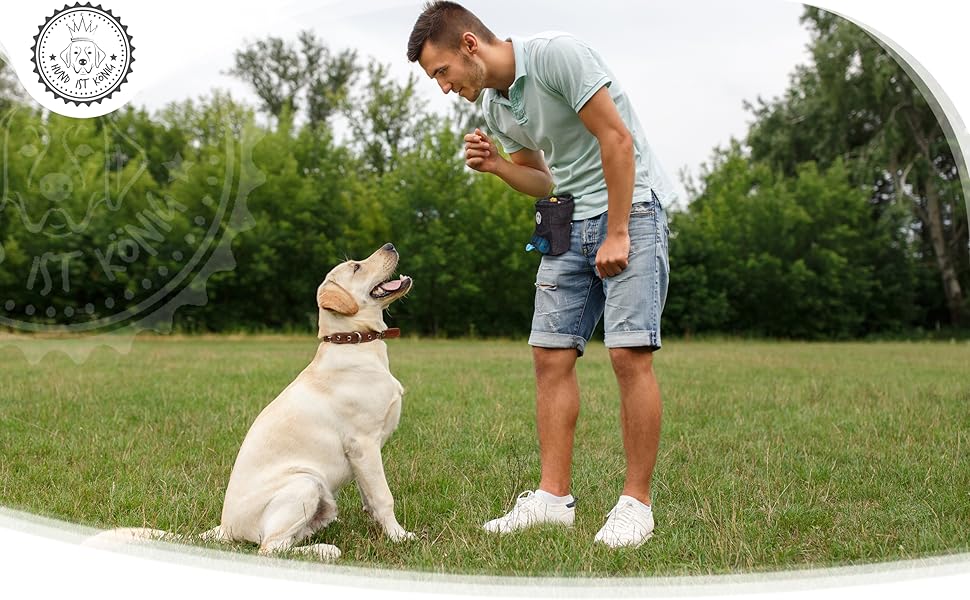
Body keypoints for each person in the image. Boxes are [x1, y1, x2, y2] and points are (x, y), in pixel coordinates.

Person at [407, 1, 672, 548]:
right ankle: (553, 500)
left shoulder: (557, 55)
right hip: (567, 220)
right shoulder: (497, 109)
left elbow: (616, 140)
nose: (444, 87)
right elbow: (542, 181)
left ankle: (635, 505)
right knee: (549, 355)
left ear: (469, 46)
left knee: (628, 353)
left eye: (442, 73)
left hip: (630, 209)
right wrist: (499, 167)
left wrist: (618, 231)